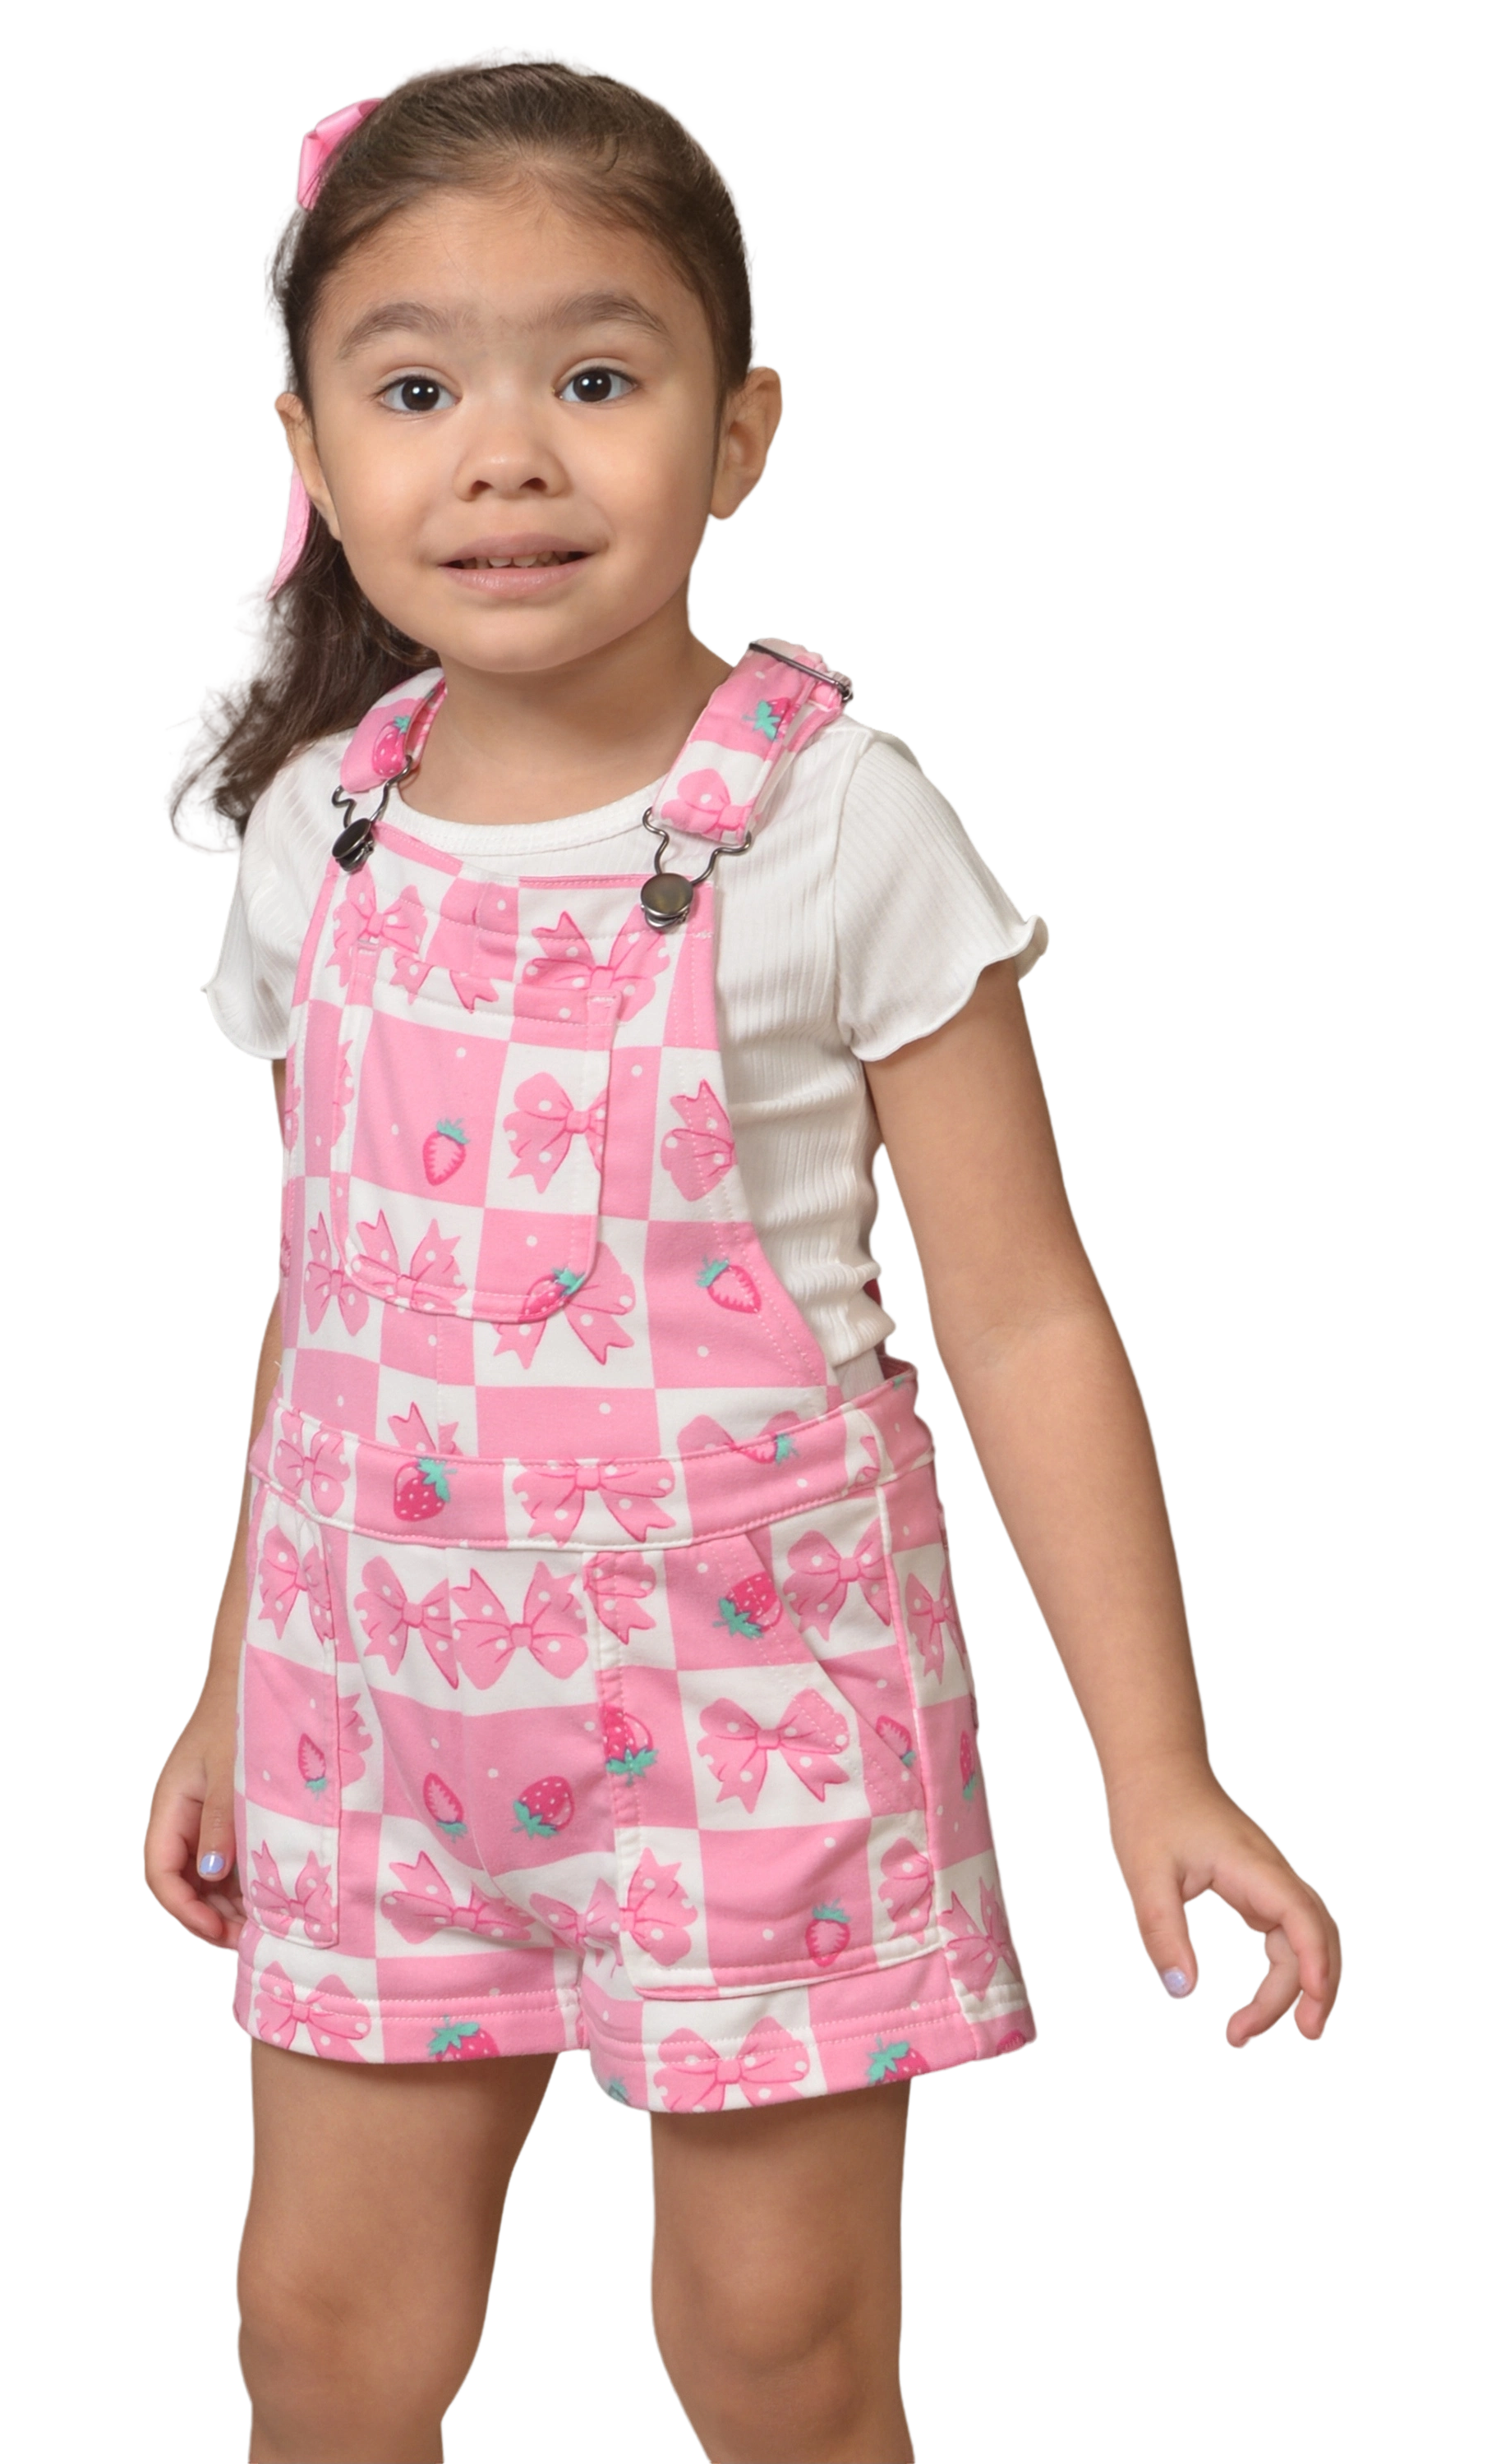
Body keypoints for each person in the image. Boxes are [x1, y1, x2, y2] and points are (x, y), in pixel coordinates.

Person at [142, 44, 1344, 2464]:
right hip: (377, 1736)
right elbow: (332, 1302)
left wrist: (1160, 1761)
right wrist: (226, 1688)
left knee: (781, 2350)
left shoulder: (837, 825)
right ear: (312, 452)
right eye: (416, 389)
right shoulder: (319, 839)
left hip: (753, 1731)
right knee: (323, 2329)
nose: (505, 456)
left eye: (597, 378)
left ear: (747, 428)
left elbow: (1026, 1317)